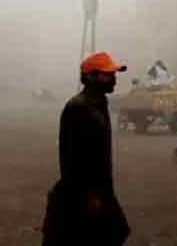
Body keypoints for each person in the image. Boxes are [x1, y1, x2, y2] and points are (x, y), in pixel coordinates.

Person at [42, 52, 131, 246]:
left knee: (115, 232)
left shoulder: (100, 102)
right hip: (83, 190)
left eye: (113, 74)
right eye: (107, 74)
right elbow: (70, 156)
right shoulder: (77, 107)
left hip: (101, 186)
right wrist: (89, 194)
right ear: (91, 77)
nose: (113, 79)